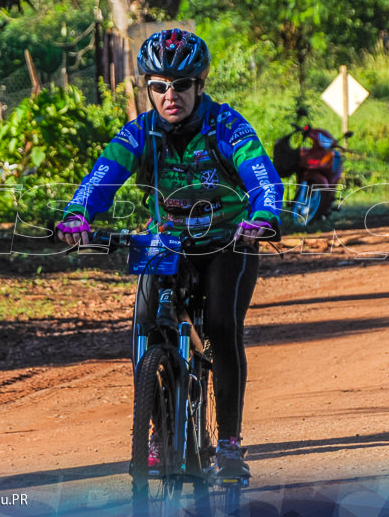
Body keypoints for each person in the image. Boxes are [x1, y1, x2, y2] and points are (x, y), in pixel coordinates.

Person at [55, 28, 284, 480]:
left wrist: (264, 213)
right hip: (167, 241)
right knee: (144, 327)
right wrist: (76, 215)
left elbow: (262, 176)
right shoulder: (139, 133)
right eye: (158, 86)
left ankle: (231, 443)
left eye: (180, 85)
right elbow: (102, 177)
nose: (169, 95)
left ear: (199, 84)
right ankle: (157, 431)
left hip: (228, 240)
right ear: (148, 89)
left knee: (221, 326)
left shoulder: (227, 126)